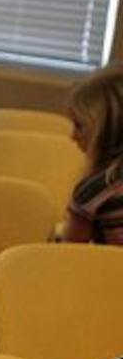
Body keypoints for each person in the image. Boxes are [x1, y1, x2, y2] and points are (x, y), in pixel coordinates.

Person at [63, 64, 123, 246]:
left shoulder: (95, 190)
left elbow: (69, 252)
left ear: (105, 130)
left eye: (79, 126)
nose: (72, 136)